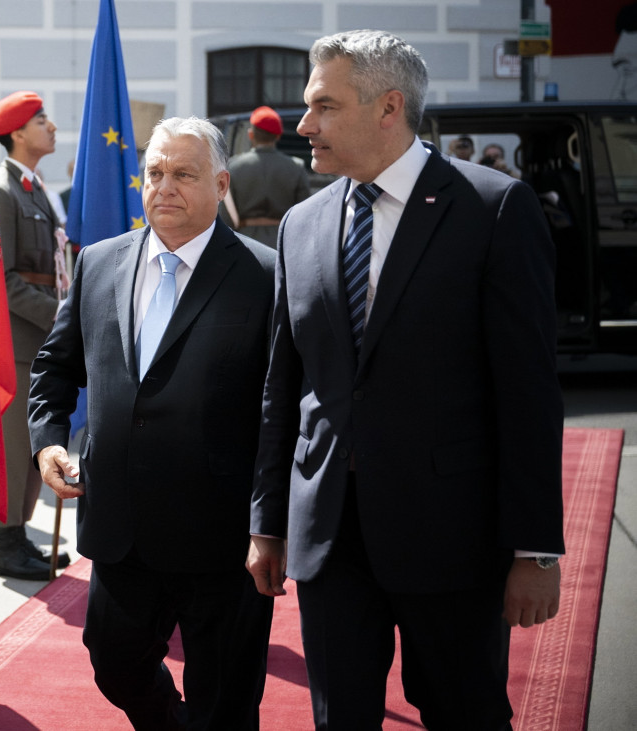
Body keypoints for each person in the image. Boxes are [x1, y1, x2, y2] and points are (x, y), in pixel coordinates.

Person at [247, 30, 564, 729]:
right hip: (329, 537)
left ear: (388, 107)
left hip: (452, 538)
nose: (304, 126)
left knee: (464, 712)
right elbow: (284, 388)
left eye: (324, 106)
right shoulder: (300, 225)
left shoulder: (494, 210)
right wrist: (268, 523)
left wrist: (535, 547)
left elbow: (529, 393)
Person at [30, 116, 277, 729]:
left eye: (184, 174)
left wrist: (272, 521)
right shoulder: (100, 264)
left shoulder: (267, 275)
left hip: (222, 536)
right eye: (156, 173)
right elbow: (55, 368)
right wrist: (48, 444)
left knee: (226, 697)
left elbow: (286, 407)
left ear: (221, 184)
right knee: (114, 662)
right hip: (122, 526)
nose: (164, 186)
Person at [0, 90, 70, 580]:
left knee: (35, 439)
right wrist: (60, 316)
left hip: (39, 335)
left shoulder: (34, 188)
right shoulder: (3, 190)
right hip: (19, 337)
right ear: (17, 133)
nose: (52, 127)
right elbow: (4, 277)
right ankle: (6, 541)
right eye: (41, 121)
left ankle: (20, 533)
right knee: (14, 445)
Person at [222, 105, 310, 247]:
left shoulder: (233, 166)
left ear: (251, 135)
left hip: (245, 241)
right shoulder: (296, 166)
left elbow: (225, 216)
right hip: (284, 241)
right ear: (278, 136)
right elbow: (305, 213)